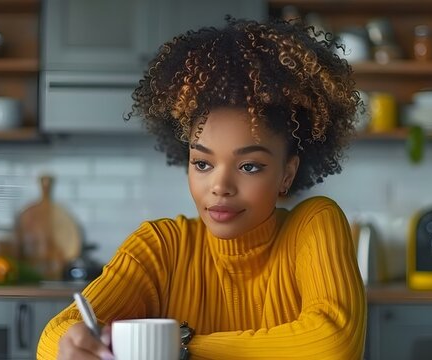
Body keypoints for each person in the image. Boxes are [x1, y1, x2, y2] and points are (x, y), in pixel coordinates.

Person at [38, 17, 366, 360]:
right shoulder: (160, 247)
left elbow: (331, 346)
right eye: (203, 164)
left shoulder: (314, 225)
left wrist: (175, 347)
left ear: (287, 173)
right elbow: (51, 342)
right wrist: (74, 344)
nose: (220, 187)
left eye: (249, 166)